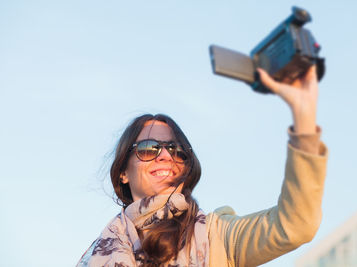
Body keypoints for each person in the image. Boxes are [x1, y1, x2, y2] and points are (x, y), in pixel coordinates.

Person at [77, 65, 328, 267]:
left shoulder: (218, 236)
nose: (165, 155)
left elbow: (295, 225)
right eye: (148, 148)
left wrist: (304, 119)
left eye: (176, 150)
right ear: (123, 172)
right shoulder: (100, 251)